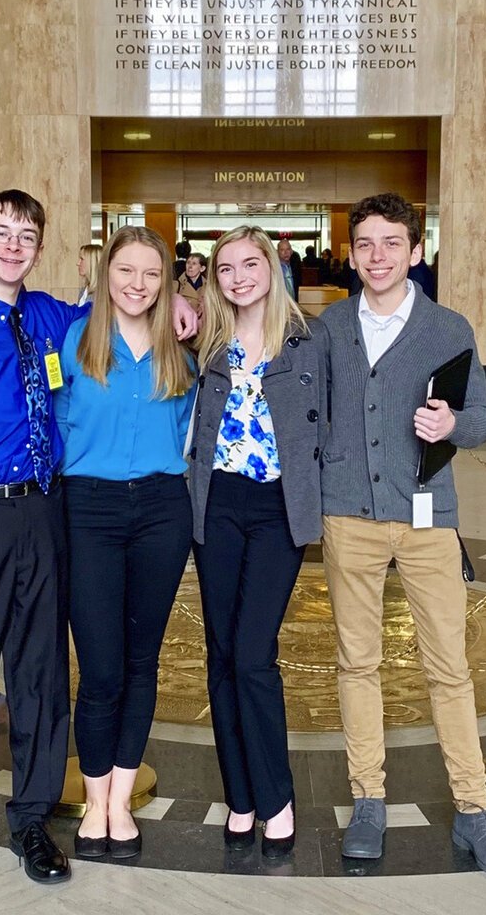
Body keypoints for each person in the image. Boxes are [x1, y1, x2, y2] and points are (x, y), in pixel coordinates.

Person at [0, 192, 197, 892]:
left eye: (25, 235)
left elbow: (126, 312)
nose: (12, 245)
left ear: (39, 247)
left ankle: (32, 819)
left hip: (46, 513)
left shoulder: (56, 318)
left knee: (40, 677)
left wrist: (185, 307)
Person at [320, 193, 486, 876]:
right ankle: (367, 800)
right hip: (348, 516)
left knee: (448, 667)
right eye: (365, 244)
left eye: (390, 243)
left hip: (428, 516)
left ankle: (471, 809)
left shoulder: (446, 328)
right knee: (357, 663)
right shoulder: (327, 327)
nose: (377, 256)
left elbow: (485, 417)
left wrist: (452, 427)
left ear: (414, 251)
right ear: (351, 253)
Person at [56, 226, 195, 861]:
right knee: (102, 668)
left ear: (166, 281)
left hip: (163, 511)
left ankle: (118, 802)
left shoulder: (180, 351)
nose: (136, 285)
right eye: (125, 271)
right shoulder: (75, 338)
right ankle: (93, 800)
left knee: (142, 663)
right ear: (103, 273)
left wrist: (190, 302)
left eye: (150, 274)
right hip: (89, 509)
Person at [189, 225, 329, 859]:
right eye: (225, 268)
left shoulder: (307, 340)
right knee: (221, 655)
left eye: (250, 263)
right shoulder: (209, 344)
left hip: (277, 509)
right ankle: (240, 796)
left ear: (272, 268)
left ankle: (276, 798)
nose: (239, 276)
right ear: (213, 279)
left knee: (251, 654)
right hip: (217, 504)